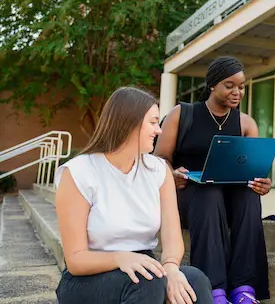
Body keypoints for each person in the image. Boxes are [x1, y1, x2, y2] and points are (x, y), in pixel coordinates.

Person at [54, 87, 212, 304]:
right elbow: (75, 259)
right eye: (153, 122)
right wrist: (121, 258)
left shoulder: (158, 170)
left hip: (144, 269)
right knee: (146, 281)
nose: (159, 130)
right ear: (129, 123)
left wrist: (171, 268)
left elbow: (172, 236)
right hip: (88, 278)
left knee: (195, 280)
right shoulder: (79, 172)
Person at [154, 56, 271, 304]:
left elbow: (253, 169)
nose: (237, 92)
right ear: (212, 85)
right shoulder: (182, 114)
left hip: (229, 203)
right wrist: (170, 174)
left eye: (241, 86)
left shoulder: (246, 123)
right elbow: (160, 158)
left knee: (249, 194)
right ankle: (214, 289)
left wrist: (262, 182)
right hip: (190, 198)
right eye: (230, 85)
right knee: (209, 193)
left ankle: (244, 289)